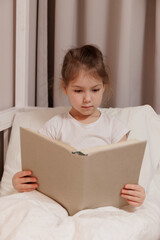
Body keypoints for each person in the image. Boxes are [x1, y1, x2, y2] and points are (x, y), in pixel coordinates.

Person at [12, 44, 145, 207]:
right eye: (78, 91)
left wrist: (136, 193)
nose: (87, 99)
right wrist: (19, 181)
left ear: (103, 87)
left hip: (102, 202)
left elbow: (124, 176)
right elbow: (37, 169)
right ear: (65, 88)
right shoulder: (55, 126)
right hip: (59, 202)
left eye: (95, 90)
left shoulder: (114, 128)